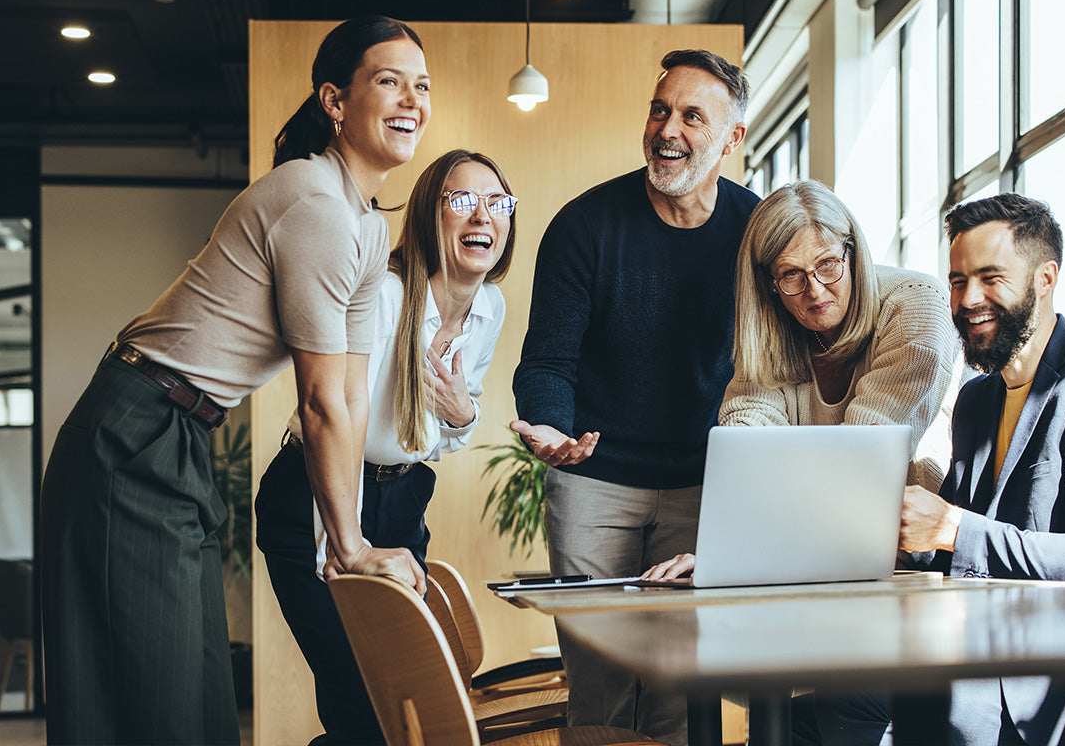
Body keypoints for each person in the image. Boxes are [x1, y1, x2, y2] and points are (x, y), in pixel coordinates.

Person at [39, 15, 430, 746]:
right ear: (335, 102)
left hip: (179, 431)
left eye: (422, 85)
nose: (412, 99)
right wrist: (346, 547)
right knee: (153, 699)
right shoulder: (313, 202)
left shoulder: (367, 226)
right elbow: (317, 403)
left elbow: (348, 393)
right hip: (134, 429)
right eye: (389, 81)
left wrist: (348, 545)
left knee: (193, 695)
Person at [511, 48, 760, 746]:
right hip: (595, 481)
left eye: (690, 115)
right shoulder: (583, 226)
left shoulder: (756, 231)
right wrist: (551, 429)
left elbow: (777, 365)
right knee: (599, 686)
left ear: (732, 139)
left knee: (680, 689)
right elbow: (548, 361)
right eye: (659, 110)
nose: (667, 129)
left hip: (703, 482)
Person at [255, 149, 516, 745]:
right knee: (361, 700)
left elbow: (448, 432)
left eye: (497, 202)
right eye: (461, 200)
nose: (483, 216)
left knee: (405, 699)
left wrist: (463, 411)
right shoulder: (387, 296)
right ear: (430, 215)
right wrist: (339, 543)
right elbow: (336, 419)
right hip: (318, 494)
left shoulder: (488, 309)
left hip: (402, 502)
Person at [894, 193, 1065, 745]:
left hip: (1052, 688)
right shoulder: (978, 399)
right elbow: (951, 541)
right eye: (957, 281)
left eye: (990, 277)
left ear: (1045, 278)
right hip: (969, 654)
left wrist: (952, 527)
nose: (969, 298)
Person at [641, 179, 960, 589]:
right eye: (791, 274)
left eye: (828, 264)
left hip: (923, 561)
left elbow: (862, 461)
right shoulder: (774, 333)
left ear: (853, 252)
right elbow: (748, 452)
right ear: (769, 285)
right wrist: (725, 555)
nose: (815, 291)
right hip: (818, 552)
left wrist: (744, 552)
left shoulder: (917, 305)